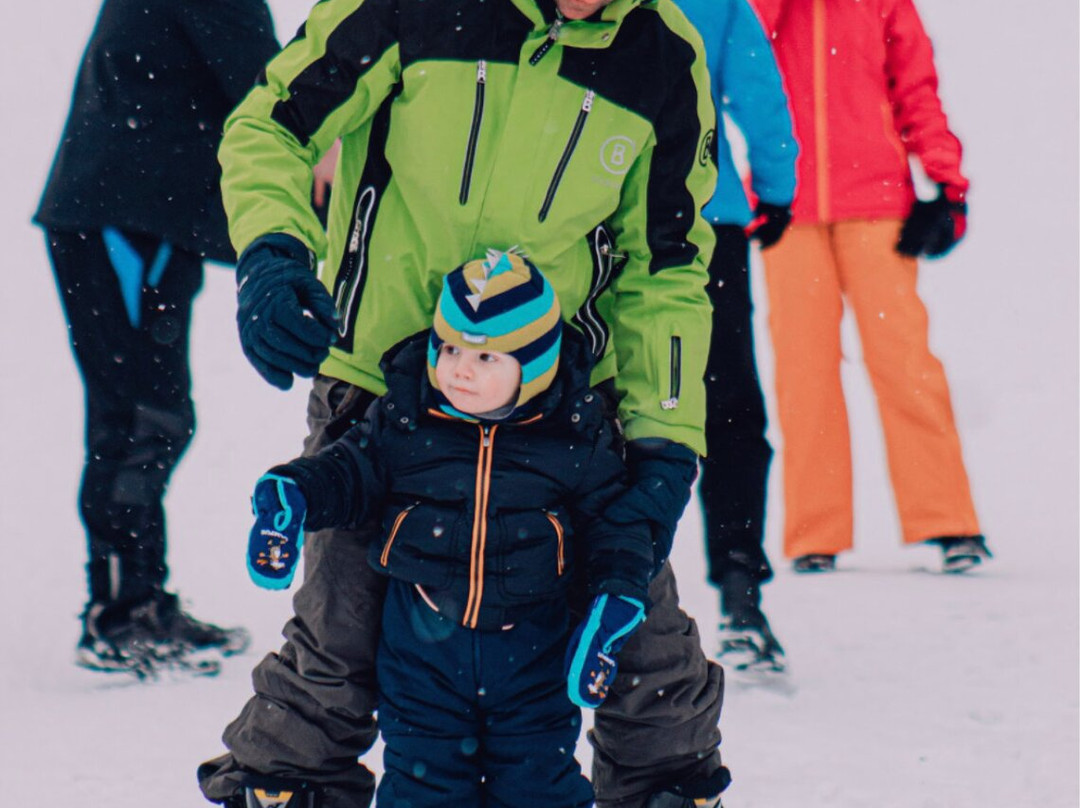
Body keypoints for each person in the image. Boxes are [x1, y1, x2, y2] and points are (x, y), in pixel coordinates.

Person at [197, 0, 730, 806]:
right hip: (380, 393)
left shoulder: (661, 53)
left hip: (563, 418)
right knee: (332, 655)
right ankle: (286, 792)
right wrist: (274, 248)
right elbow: (270, 124)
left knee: (646, 662)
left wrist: (663, 442)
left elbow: (667, 266)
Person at [240, 254, 654, 808]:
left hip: (532, 658)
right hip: (421, 656)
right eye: (451, 347)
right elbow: (348, 472)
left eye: (486, 356)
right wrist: (294, 494)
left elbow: (614, 527)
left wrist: (615, 601)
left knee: (539, 788)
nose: (460, 369)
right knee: (421, 788)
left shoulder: (575, 440)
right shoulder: (406, 422)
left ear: (534, 366)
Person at [33, 0, 281, 676]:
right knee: (140, 417)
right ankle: (118, 616)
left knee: (151, 416)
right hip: (120, 214)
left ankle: (142, 599)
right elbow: (275, 92)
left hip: (144, 215)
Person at [751, 0, 992, 574]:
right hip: (787, 206)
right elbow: (738, 62)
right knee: (803, 369)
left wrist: (946, 184)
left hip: (878, 205)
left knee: (904, 361)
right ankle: (815, 533)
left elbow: (917, 90)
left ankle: (948, 521)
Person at [676, 0, 797, 674]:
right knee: (728, 406)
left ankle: (595, 585)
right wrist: (776, 189)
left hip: (601, 215)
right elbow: (759, 91)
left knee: (605, 403)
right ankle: (741, 588)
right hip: (708, 218)